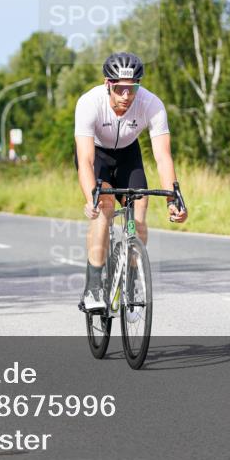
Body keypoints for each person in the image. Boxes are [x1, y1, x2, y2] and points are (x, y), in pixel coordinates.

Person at [74, 52, 188, 311]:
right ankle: (93, 287)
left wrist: (174, 199)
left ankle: (134, 277)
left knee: (140, 206)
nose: (126, 95)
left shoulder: (151, 104)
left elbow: (163, 157)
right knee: (104, 205)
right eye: (120, 89)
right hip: (98, 154)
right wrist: (89, 196)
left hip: (128, 153)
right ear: (107, 84)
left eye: (132, 88)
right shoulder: (89, 103)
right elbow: (85, 160)